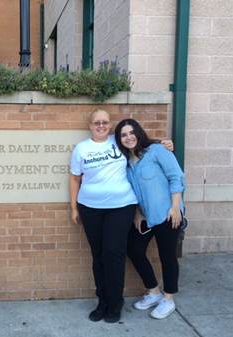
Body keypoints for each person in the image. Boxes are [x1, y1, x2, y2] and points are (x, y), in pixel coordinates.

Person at [70, 109, 138, 323]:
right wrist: (73, 208)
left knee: (114, 254)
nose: (101, 125)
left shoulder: (118, 141)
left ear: (110, 125)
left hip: (121, 207)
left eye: (105, 122)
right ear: (90, 125)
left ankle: (115, 303)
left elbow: (142, 144)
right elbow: (74, 179)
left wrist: (165, 144)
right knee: (98, 256)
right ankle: (103, 302)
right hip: (90, 209)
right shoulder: (81, 149)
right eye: (97, 122)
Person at [115, 118, 185, 319]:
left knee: (167, 256)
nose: (128, 137)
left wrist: (174, 207)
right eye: (123, 135)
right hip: (147, 216)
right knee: (134, 249)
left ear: (138, 132)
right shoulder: (127, 162)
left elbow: (176, 176)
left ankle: (168, 298)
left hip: (167, 213)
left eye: (131, 133)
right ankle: (153, 291)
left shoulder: (157, 151)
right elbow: (135, 190)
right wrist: (138, 212)